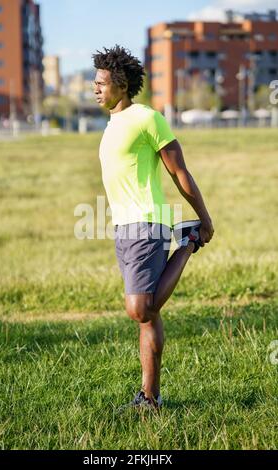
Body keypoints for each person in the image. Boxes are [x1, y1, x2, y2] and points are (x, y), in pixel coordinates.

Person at [92, 45, 214, 410]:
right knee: (148, 316)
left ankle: (188, 242)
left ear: (121, 84)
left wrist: (204, 219)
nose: (94, 88)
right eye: (94, 82)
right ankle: (151, 398)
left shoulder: (147, 118)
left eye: (100, 83)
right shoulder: (112, 125)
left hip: (148, 222)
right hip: (124, 227)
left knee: (141, 308)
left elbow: (179, 172)